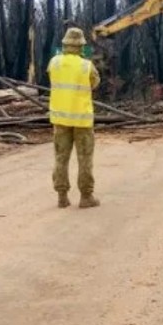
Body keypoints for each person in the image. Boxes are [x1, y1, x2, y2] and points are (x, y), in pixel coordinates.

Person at [48, 27, 101, 209]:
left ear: (64, 44)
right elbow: (95, 83)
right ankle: (86, 197)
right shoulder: (87, 66)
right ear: (81, 46)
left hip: (60, 120)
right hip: (82, 121)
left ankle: (62, 197)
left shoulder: (54, 63)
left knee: (61, 158)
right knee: (84, 158)